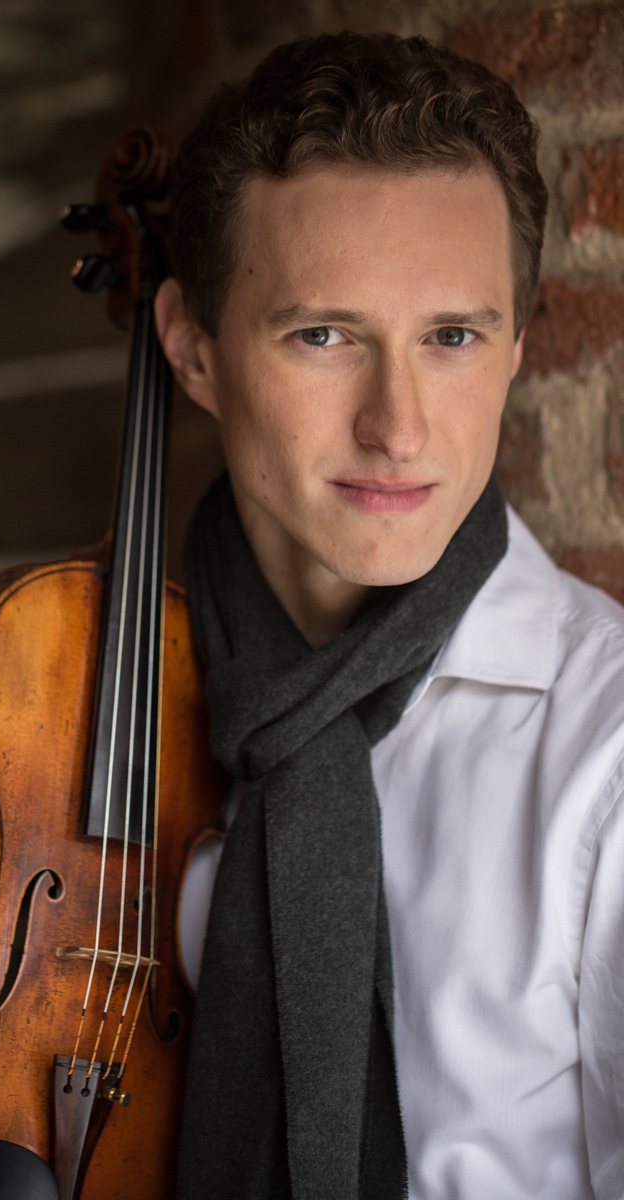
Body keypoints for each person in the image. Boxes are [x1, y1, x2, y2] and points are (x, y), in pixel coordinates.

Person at [153, 31, 624, 1200]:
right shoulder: (94, 706)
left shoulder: (605, 752)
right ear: (193, 352)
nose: (396, 427)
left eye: (450, 338)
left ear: (515, 350)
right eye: (323, 335)